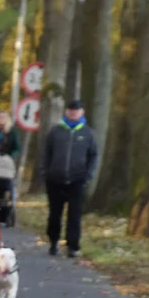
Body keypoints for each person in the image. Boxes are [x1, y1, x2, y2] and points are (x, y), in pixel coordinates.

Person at [41, 100, 98, 258]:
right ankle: (53, 241)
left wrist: (88, 174)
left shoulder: (88, 133)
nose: (73, 113)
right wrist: (46, 172)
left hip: (77, 180)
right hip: (55, 179)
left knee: (75, 214)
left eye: (76, 110)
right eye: (71, 110)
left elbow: (93, 155)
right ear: (66, 112)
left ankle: (72, 245)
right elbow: (47, 152)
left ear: (82, 112)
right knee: (55, 213)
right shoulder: (56, 131)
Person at [0, 111, 20, 181]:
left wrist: (11, 156)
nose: (1, 119)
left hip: (6, 160)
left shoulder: (11, 132)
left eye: (3, 117)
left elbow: (17, 148)